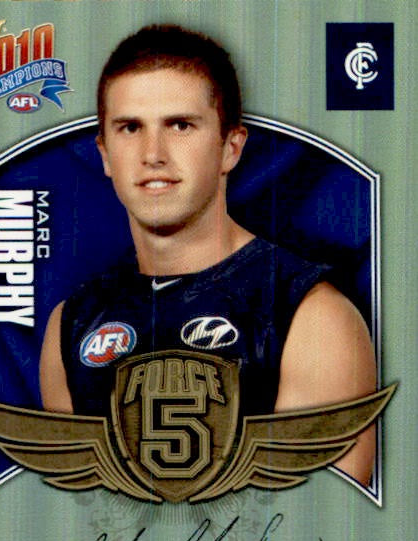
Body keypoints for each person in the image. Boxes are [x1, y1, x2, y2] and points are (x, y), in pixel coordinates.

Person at [40, 24, 376, 486]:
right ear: (104, 153)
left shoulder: (311, 316)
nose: (153, 154)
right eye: (130, 128)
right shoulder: (72, 323)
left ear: (230, 147)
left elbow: (316, 520)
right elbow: (69, 515)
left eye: (180, 125)